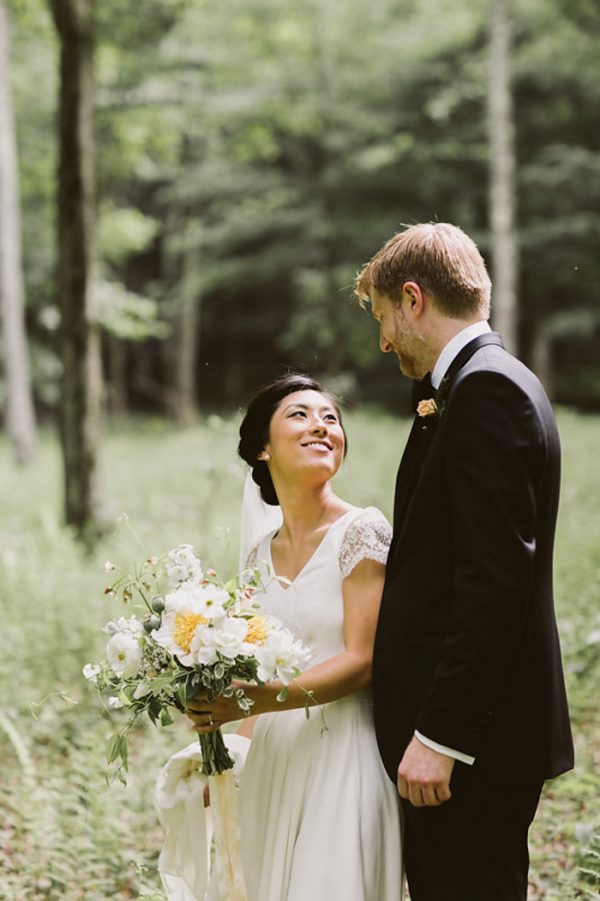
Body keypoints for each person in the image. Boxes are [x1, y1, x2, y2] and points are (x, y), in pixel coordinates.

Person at [355, 222, 574, 900]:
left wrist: (442, 735)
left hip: (471, 745)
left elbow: (494, 584)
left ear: (413, 299)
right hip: (470, 737)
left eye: (384, 317)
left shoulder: (487, 392)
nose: (385, 340)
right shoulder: (477, 386)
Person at [187, 373, 403, 901]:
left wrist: (259, 698)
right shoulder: (258, 556)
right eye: (300, 415)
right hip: (272, 765)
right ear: (262, 449)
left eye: (331, 417)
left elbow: (363, 659)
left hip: (344, 758)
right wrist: (225, 746)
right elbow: (258, 673)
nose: (322, 426)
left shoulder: (362, 532)